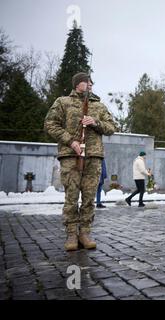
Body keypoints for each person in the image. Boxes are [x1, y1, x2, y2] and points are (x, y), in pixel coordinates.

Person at [44, 72, 117, 251]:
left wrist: (95, 122)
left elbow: (112, 128)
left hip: (93, 156)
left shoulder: (99, 106)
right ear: (77, 84)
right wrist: (71, 141)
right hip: (71, 156)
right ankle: (71, 234)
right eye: (86, 81)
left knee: (89, 197)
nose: (90, 84)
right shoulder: (63, 102)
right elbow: (50, 124)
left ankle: (84, 232)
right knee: (71, 196)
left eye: (91, 81)